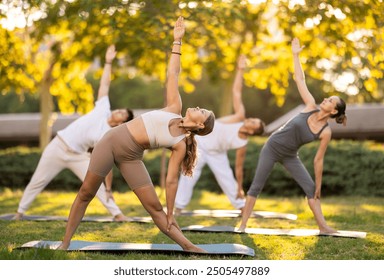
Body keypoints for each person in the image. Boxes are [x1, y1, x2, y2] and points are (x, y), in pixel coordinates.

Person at [58, 16, 215, 252]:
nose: (198, 107)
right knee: (86, 193)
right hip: (110, 143)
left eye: (202, 111)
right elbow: (173, 74)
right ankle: (65, 243)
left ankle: (188, 247)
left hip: (131, 157)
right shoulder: (174, 107)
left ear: (201, 125)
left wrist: (171, 211)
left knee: (155, 208)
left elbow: (171, 180)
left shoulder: (181, 144)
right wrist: (177, 42)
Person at [238, 37, 347, 233]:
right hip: (272, 147)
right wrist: (295, 55)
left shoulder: (326, 132)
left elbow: (318, 160)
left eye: (330, 100)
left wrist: (318, 186)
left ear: (333, 111)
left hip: (290, 155)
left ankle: (323, 227)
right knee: (256, 185)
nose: (325, 98)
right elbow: (300, 79)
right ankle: (243, 225)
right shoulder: (310, 106)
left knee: (311, 189)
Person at [14, 45, 134, 222]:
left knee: (96, 184)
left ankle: (117, 214)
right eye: (120, 110)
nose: (118, 111)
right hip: (58, 146)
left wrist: (109, 188)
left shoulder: (108, 135)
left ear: (122, 122)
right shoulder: (103, 108)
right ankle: (19, 213)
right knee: (37, 181)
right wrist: (108, 62)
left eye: (122, 114)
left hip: (78, 156)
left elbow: (106, 165)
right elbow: (105, 84)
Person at [175, 54, 265, 215]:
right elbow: (236, 92)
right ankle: (178, 208)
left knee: (227, 179)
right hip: (201, 145)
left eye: (253, 123)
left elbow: (238, 168)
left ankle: (242, 206)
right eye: (252, 119)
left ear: (252, 131)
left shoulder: (242, 143)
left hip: (218, 154)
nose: (249, 120)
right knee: (188, 174)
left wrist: (239, 188)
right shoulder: (238, 118)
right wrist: (240, 69)